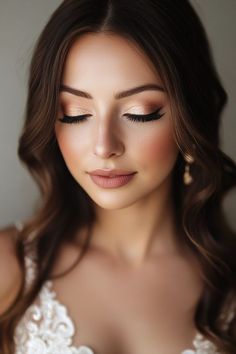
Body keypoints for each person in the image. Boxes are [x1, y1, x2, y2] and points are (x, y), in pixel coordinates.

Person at [0, 0, 235, 353]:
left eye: (140, 113)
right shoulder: (10, 267)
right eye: (75, 113)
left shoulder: (228, 286)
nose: (104, 146)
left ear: (190, 117)